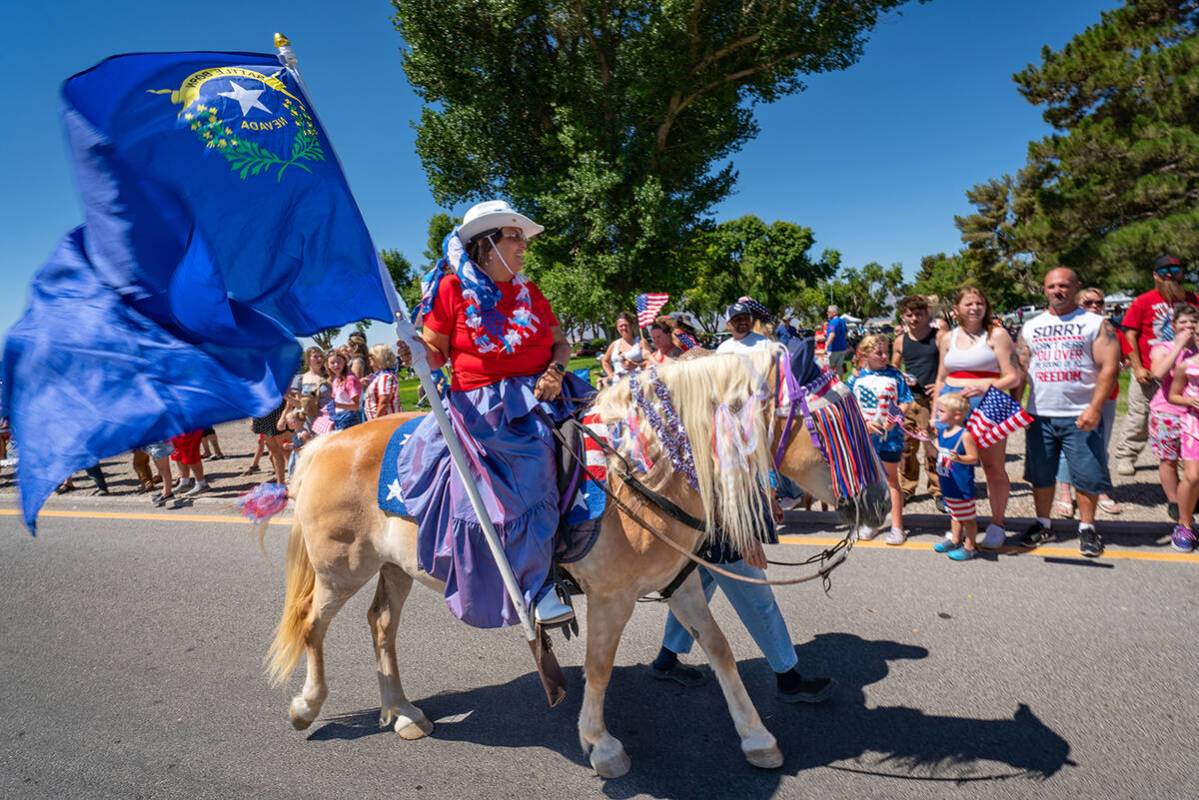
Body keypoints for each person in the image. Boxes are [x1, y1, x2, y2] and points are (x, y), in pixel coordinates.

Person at [396, 199, 594, 628]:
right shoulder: (450, 291)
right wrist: (414, 350)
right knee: (537, 465)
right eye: (514, 235)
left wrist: (557, 371)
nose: (524, 244)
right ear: (487, 245)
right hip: (488, 409)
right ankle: (538, 587)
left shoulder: (531, 291)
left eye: (522, 236)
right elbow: (435, 354)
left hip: (549, 391)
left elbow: (560, 344)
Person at [649, 537, 835, 703]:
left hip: (700, 535)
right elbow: (724, 498)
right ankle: (789, 680)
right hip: (725, 536)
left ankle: (666, 659)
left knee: (694, 596)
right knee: (759, 604)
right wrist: (746, 537)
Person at [1017, 268, 1120, 558]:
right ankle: (1043, 523)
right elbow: (1021, 369)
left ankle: (1087, 528)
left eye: (1063, 285)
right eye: (1051, 286)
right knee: (1041, 474)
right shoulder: (1032, 326)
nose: (1057, 290)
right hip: (1040, 414)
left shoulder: (1096, 323)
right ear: (1044, 290)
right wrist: (1016, 409)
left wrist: (1095, 407)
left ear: (1076, 286)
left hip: (1080, 414)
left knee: (1087, 475)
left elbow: (1109, 368)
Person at [933, 286, 1022, 549]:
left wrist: (984, 385)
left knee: (993, 467)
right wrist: (935, 411)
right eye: (968, 303)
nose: (974, 308)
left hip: (987, 403)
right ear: (956, 309)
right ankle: (958, 527)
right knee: (952, 466)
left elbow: (1013, 376)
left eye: (979, 303)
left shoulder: (997, 334)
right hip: (950, 403)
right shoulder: (947, 338)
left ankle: (997, 524)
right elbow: (940, 377)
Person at [1113, 255, 1198, 475]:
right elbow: (1128, 334)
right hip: (1151, 368)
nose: (1169, 275)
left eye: (1175, 270)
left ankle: (1183, 455)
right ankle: (1127, 454)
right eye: (1163, 271)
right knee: (1139, 414)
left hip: (1185, 369)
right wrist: (1137, 366)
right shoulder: (1143, 301)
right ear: (1155, 275)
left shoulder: (1193, 299)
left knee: (1184, 412)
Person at [1053, 288, 1122, 517]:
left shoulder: (1109, 329)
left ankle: (1100, 489)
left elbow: (1122, 359)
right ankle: (1065, 493)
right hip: (1074, 398)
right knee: (1066, 449)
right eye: (1088, 302)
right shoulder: (1065, 329)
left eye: (1099, 302)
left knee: (1099, 445)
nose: (1095, 306)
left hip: (1106, 396)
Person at [846, 334, 913, 544]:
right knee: (868, 481)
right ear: (865, 354)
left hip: (890, 437)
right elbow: (849, 408)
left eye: (887, 351)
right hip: (864, 438)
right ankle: (871, 522)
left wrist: (895, 417)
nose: (885, 356)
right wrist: (864, 424)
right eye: (879, 352)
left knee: (892, 480)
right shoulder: (855, 379)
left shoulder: (896, 376)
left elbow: (906, 402)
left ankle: (897, 527)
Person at [892, 295, 946, 511]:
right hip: (909, 400)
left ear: (927, 314)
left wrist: (941, 386)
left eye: (919, 314)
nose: (914, 318)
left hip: (934, 399)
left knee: (933, 446)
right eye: (909, 314)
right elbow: (894, 368)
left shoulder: (940, 336)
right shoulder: (900, 340)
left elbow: (949, 364)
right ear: (903, 317)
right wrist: (901, 379)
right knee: (906, 448)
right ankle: (907, 488)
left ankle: (938, 489)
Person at [1149, 303, 1198, 524]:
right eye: (1183, 322)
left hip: (1193, 416)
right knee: (1168, 459)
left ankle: (1189, 497)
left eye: (1192, 322)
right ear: (1174, 325)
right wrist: (1178, 347)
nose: (1188, 326)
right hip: (1166, 412)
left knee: (1192, 464)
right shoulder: (1163, 347)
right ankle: (1174, 501)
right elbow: (1157, 373)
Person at [930, 393, 981, 560]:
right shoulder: (943, 432)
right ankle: (955, 539)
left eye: (941, 411)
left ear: (957, 415)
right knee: (954, 514)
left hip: (961, 484)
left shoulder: (965, 435)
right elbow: (935, 451)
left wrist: (959, 458)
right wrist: (925, 440)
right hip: (947, 482)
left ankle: (970, 547)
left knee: (968, 518)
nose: (937, 413)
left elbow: (973, 458)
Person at [1166, 329, 1199, 552]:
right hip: (1194, 425)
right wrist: (1190, 399)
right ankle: (1184, 525)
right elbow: (1173, 395)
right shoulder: (1187, 365)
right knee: (1192, 476)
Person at [600, 312, 645, 382]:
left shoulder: (640, 342)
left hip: (638, 383)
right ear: (617, 328)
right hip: (618, 386)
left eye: (626, 325)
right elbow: (605, 361)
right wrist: (610, 374)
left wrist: (637, 365)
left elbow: (650, 361)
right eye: (620, 326)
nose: (623, 328)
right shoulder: (614, 344)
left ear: (631, 326)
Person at [326, 348, 363, 429]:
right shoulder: (335, 381)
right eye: (332, 363)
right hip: (339, 418)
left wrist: (337, 405)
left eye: (338, 362)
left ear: (344, 362)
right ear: (328, 365)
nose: (336, 365)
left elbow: (356, 406)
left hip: (350, 418)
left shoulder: (350, 379)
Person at [363, 343, 401, 420]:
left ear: (379, 357)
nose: (369, 358)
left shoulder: (386, 377)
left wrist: (375, 421)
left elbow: (384, 402)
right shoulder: (380, 376)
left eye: (371, 356)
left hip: (386, 422)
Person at [169, 429, 209, 498]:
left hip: (188, 426)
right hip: (175, 426)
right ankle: (185, 482)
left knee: (190, 453)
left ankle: (201, 483)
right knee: (177, 453)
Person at [824, 305, 851, 374]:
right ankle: (840, 383)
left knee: (829, 369)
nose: (827, 313)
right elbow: (846, 334)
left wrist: (826, 346)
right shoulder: (842, 321)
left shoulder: (833, 322)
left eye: (828, 312)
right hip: (842, 348)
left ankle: (831, 384)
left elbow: (832, 335)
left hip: (834, 349)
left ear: (834, 313)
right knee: (839, 368)